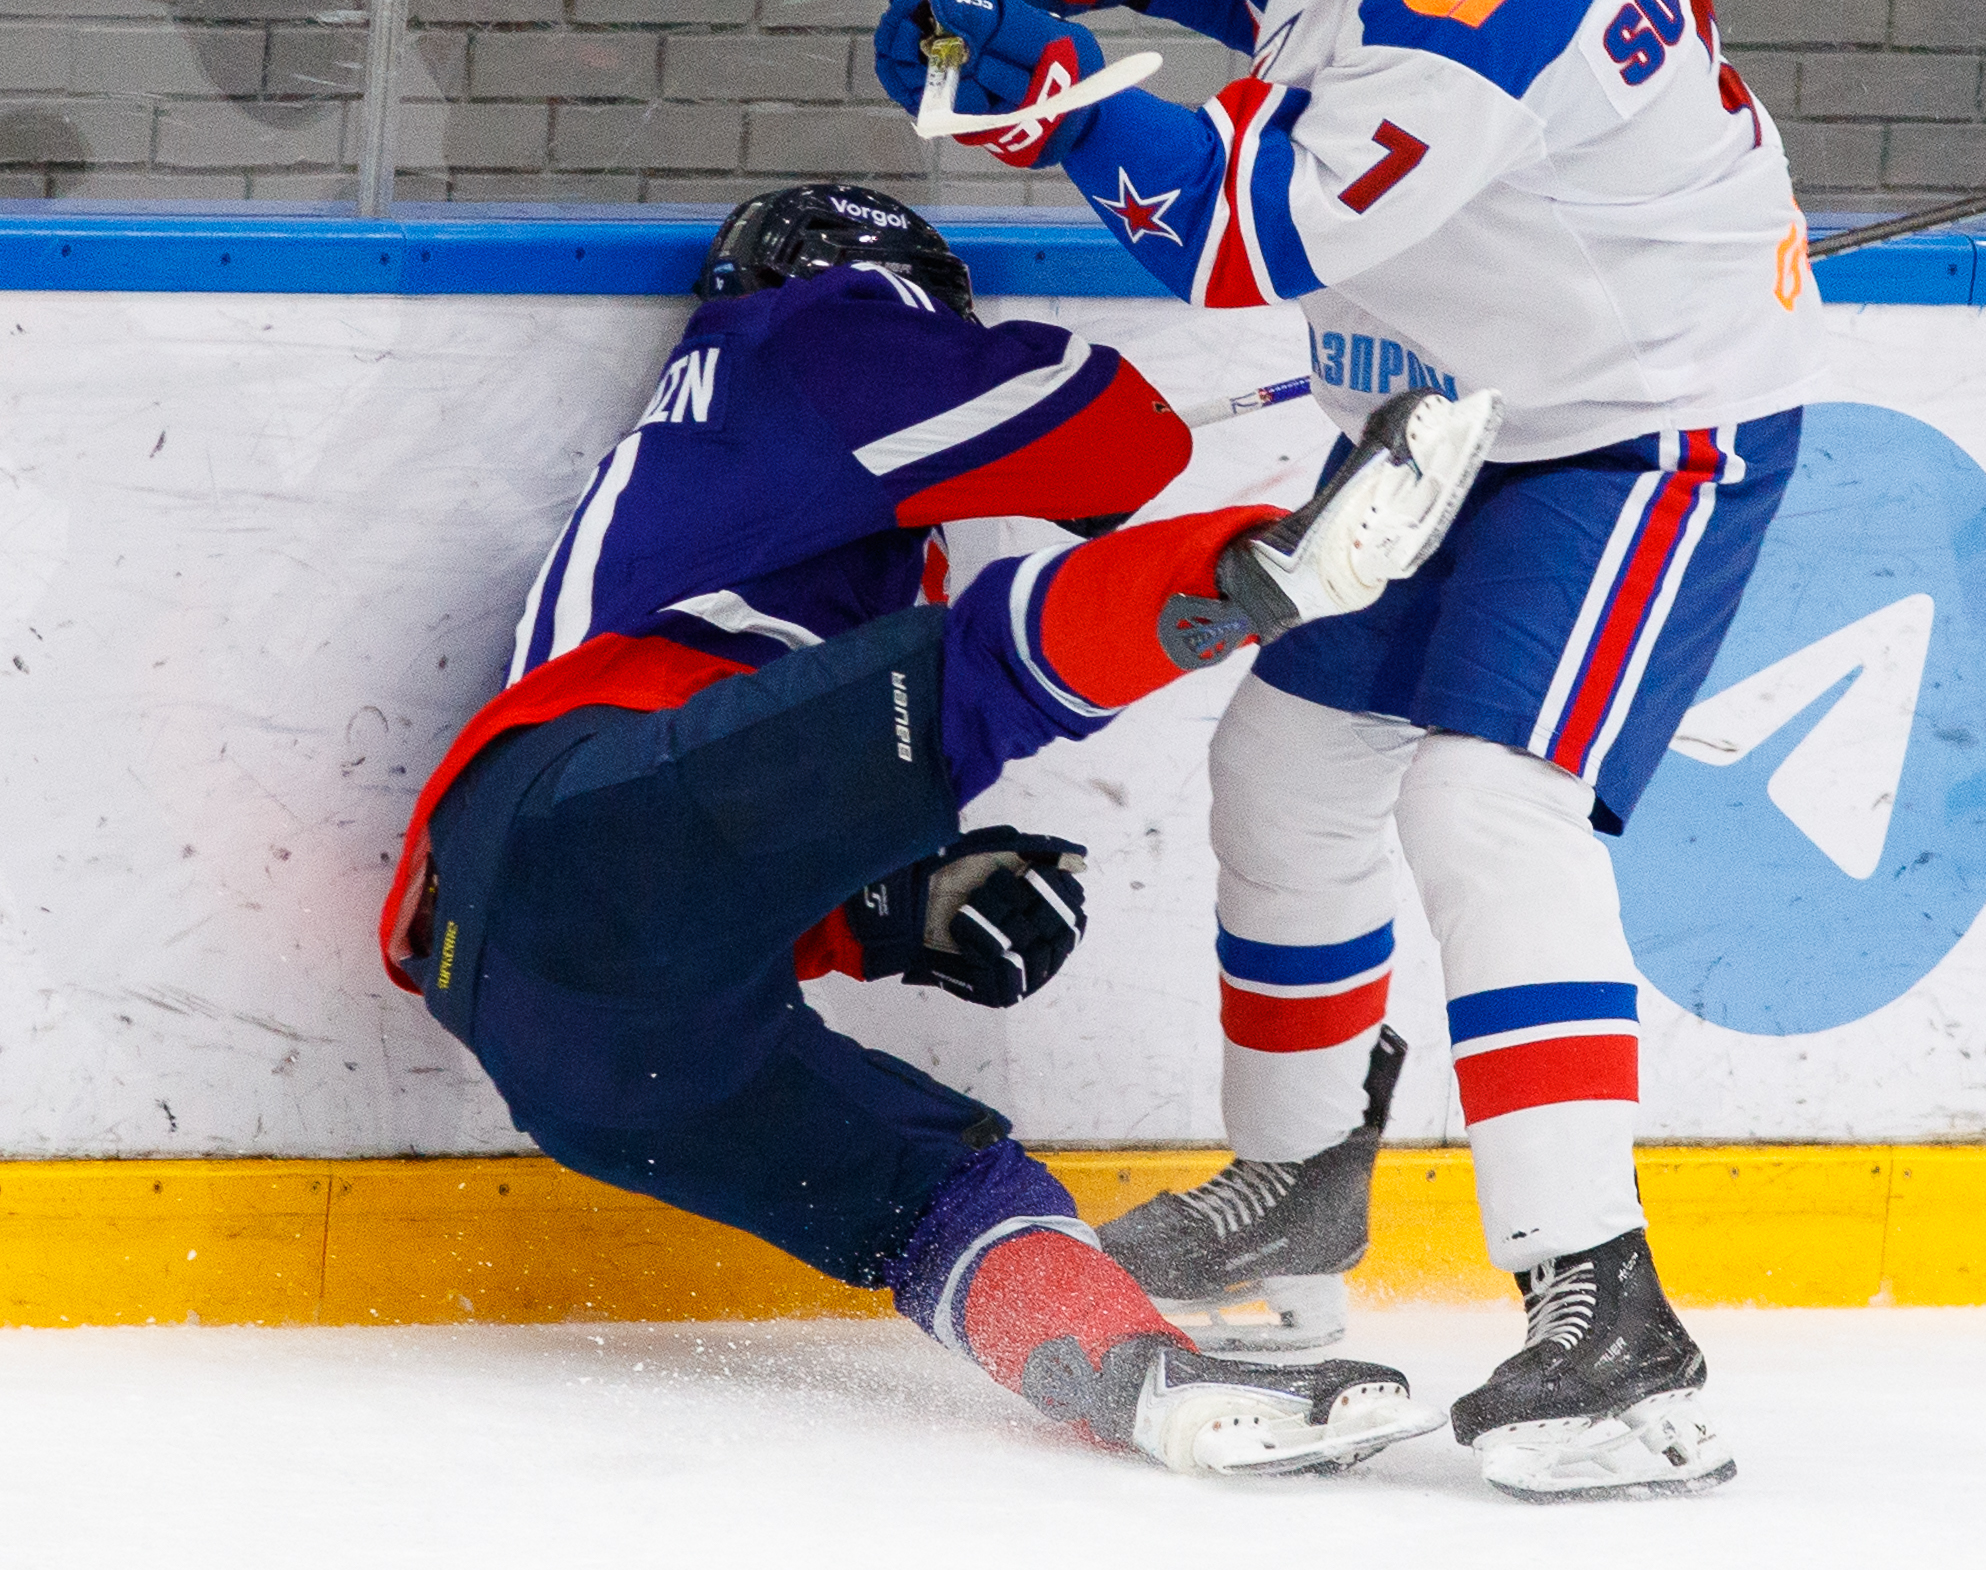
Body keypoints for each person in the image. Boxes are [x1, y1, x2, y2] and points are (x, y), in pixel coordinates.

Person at [875, 0, 1822, 1499]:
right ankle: (1299, 1197)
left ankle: (1605, 1314)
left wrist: (1057, 93)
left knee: (1492, 809)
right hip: (1459, 412)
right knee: (1287, 767)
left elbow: (1245, 240)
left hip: (1640, 431)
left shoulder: (1506, 2)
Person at [377, 184, 1497, 1478]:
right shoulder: (802, 335)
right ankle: (1267, 569)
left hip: (546, 1009)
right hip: (577, 827)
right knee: (966, 670)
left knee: (942, 1191)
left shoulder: (748, 489)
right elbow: (1116, 440)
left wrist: (896, 913)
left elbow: (683, 860)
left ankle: (1145, 1380)